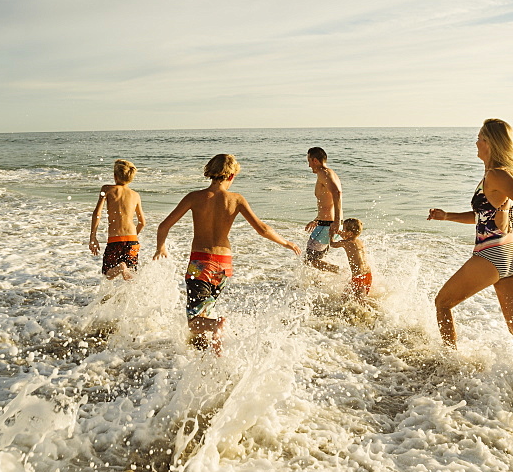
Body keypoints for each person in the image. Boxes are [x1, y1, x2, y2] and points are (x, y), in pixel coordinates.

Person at [427, 119, 513, 407]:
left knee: (443, 303)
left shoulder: (497, 175)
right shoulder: (492, 176)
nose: (475, 142)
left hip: (492, 254)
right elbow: (482, 217)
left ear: (490, 143)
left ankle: (450, 365)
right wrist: (446, 216)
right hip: (509, 254)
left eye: (479, 138)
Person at [154, 154, 301, 352]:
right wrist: (286, 243)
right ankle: (210, 355)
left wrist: (160, 247)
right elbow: (262, 229)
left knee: (194, 322)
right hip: (224, 264)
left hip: (201, 262)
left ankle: (217, 326)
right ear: (231, 176)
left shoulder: (194, 197)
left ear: (210, 172)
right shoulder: (236, 199)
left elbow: (164, 226)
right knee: (205, 311)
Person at [90, 159, 146, 280]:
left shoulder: (107, 189)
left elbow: (97, 213)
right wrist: (133, 237)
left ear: (115, 176)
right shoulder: (135, 195)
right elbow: (142, 223)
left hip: (115, 239)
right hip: (132, 239)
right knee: (131, 277)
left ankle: (121, 267)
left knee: (107, 274)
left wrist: (93, 237)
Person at [304, 147, 342, 272]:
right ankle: (322, 284)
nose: (309, 165)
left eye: (309, 160)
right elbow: (328, 201)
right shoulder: (329, 173)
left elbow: (337, 193)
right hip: (327, 224)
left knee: (309, 260)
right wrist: (316, 219)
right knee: (317, 259)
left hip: (328, 225)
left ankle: (341, 272)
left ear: (315, 160)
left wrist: (336, 221)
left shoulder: (323, 173)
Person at [329, 218, 372, 300]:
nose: (342, 231)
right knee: (361, 298)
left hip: (358, 276)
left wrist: (331, 235)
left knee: (345, 297)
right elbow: (348, 237)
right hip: (368, 275)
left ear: (350, 233)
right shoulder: (359, 241)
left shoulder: (346, 243)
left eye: (343, 229)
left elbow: (332, 244)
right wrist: (341, 233)